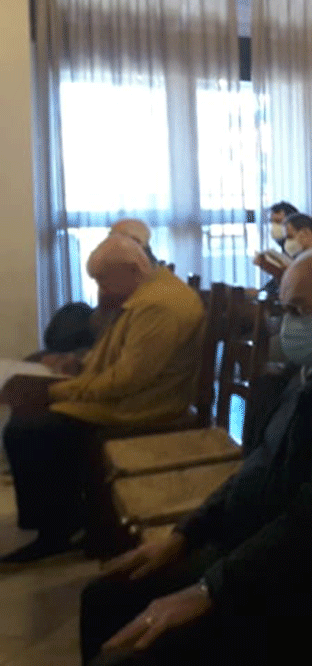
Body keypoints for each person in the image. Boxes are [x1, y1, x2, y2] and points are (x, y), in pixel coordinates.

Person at [79, 246, 312, 666]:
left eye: (298, 310)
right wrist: (185, 534)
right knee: (105, 595)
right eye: (285, 310)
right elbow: (261, 462)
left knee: (126, 652)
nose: (286, 324)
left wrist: (210, 588)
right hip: (272, 552)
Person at [2, 236, 204, 564]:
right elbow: (117, 356)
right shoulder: (147, 290)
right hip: (134, 394)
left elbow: (126, 380)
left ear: (133, 269)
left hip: (146, 405)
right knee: (28, 417)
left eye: (103, 281)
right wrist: (78, 364)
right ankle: (66, 517)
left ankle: (56, 532)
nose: (101, 290)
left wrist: (54, 391)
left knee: (29, 430)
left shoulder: (159, 306)